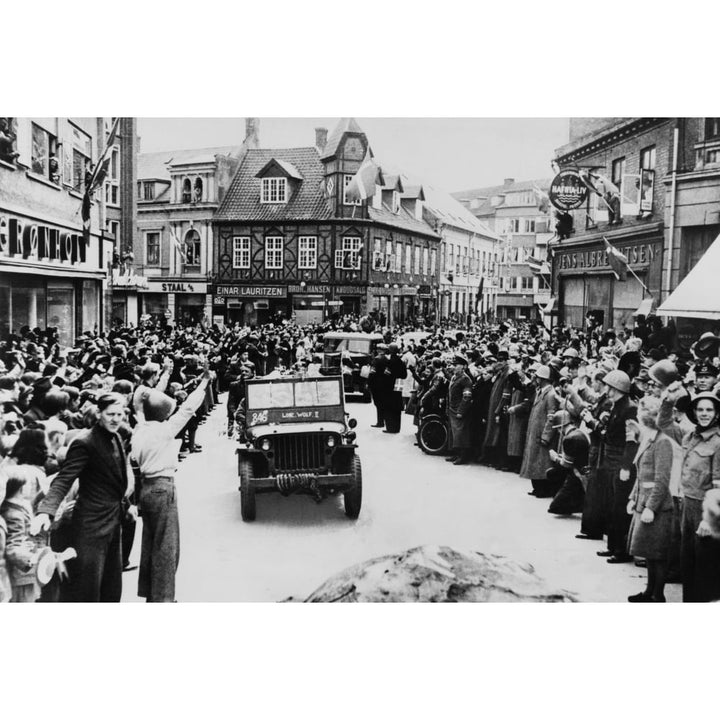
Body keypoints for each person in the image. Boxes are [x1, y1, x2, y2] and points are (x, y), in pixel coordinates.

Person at [32, 393, 132, 602]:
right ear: (98, 413)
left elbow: (115, 481)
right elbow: (64, 478)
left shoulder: (116, 437)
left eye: (119, 414)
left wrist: (127, 505)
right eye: (110, 414)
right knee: (88, 588)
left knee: (112, 587)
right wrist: (46, 511)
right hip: (91, 527)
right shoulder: (84, 442)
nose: (115, 419)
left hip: (113, 522)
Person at [131, 362, 212, 602]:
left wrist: (151, 388)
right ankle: (164, 597)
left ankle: (150, 592)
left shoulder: (140, 427)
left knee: (150, 542)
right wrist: (205, 382)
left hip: (145, 488)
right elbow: (188, 409)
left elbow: (139, 403)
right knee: (167, 547)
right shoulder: (163, 431)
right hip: (163, 488)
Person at [626, 395, 674, 602]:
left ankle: (658, 594)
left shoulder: (662, 442)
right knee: (648, 552)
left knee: (657, 554)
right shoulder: (649, 439)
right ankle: (649, 591)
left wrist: (651, 508)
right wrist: (633, 498)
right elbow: (641, 474)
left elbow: (661, 480)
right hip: (643, 501)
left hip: (657, 506)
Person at [677, 392, 720, 602]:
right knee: (687, 563)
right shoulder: (690, 437)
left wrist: (707, 519)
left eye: (709, 410)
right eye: (700, 410)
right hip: (686, 505)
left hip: (705, 511)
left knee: (704, 568)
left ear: (716, 413)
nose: (704, 414)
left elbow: (718, 484)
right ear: (694, 412)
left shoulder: (718, 442)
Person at [519, 364, 558, 496]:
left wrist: (546, 435)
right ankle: (537, 487)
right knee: (535, 461)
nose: (535, 379)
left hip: (542, 434)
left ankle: (544, 489)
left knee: (542, 463)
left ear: (543, 379)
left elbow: (551, 417)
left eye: (537, 377)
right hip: (535, 432)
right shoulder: (540, 392)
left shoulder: (550, 394)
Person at [445, 355, 474, 465]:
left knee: (461, 434)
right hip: (452, 409)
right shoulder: (454, 377)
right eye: (454, 365)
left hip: (459, 410)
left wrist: (461, 411)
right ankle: (456, 454)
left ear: (464, 366)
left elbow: (467, 397)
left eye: (457, 365)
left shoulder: (465, 379)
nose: (454, 367)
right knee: (455, 434)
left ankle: (463, 456)